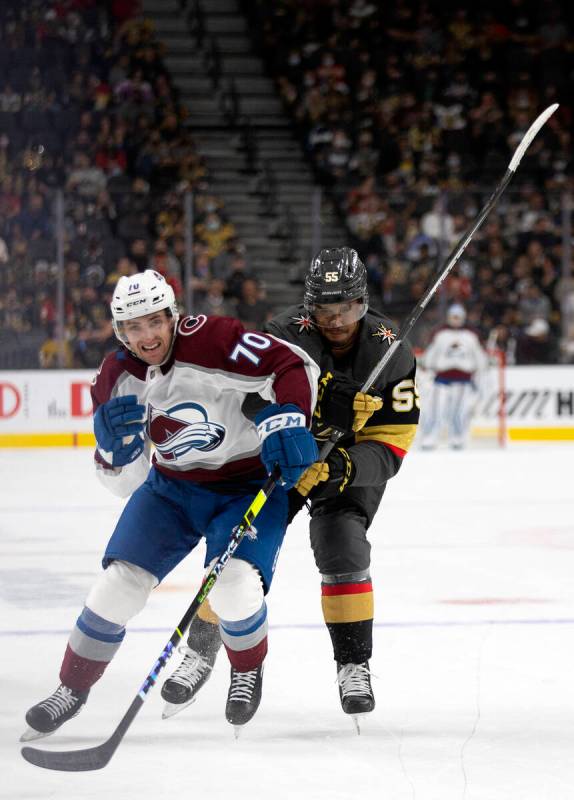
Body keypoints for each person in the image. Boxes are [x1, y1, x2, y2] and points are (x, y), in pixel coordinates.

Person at [21, 269, 319, 741]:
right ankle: (71, 689)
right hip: (171, 490)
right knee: (117, 586)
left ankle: (246, 668)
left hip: (245, 483)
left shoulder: (217, 341)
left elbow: (292, 364)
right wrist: (112, 456)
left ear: (173, 316)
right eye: (133, 327)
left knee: (233, 587)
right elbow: (129, 482)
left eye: (154, 321)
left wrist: (290, 418)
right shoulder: (115, 377)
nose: (147, 336)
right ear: (120, 331)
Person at [161, 248, 420, 725]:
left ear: (364, 302)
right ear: (307, 308)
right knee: (238, 550)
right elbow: (243, 402)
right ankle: (201, 651)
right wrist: (314, 417)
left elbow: (393, 445)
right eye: (325, 310)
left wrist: (341, 467)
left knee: (341, 544)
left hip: (346, 466)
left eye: (348, 308)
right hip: (282, 456)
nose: (337, 320)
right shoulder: (282, 336)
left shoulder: (391, 351)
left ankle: (353, 664)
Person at [419, 303, 489, 450]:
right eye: (453, 316)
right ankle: (429, 438)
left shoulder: (471, 336)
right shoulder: (440, 334)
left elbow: (479, 357)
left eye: (458, 316)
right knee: (435, 411)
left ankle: (457, 438)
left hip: (463, 381)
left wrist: (482, 370)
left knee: (459, 412)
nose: (456, 319)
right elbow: (431, 354)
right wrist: (426, 364)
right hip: (441, 380)